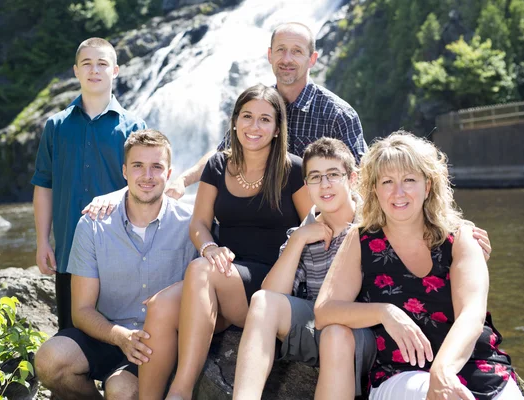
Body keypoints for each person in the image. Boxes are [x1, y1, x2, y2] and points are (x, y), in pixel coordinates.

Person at [136, 84, 313, 400]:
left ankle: (181, 392)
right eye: (247, 116)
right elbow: (200, 224)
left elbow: (313, 226)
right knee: (161, 306)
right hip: (223, 271)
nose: (253, 127)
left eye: (264, 119)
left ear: (276, 129)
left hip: (270, 285)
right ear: (234, 121)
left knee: (201, 270)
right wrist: (210, 247)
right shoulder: (217, 165)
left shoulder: (293, 170)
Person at [314, 132, 521, 400]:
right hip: (401, 372)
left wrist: (443, 370)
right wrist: (385, 312)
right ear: (374, 189)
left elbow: (472, 314)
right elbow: (324, 311)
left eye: (409, 180)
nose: (398, 192)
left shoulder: (461, 238)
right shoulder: (360, 240)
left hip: (476, 365)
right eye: (387, 181)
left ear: (428, 185)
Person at [34, 130, 197, 400]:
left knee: (121, 391)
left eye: (156, 167)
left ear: (169, 174)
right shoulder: (93, 224)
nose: (147, 176)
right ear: (124, 171)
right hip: (107, 332)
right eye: (138, 166)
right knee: (50, 361)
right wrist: (120, 337)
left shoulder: (190, 224)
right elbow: (82, 311)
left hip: (159, 343)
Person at [232, 137, 376, 399]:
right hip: (318, 326)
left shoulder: (375, 221)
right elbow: (272, 294)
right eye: (315, 177)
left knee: (336, 332)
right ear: (306, 185)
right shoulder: (302, 233)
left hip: (364, 332)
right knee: (263, 300)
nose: (325, 185)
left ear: (352, 178)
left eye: (333, 175)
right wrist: (298, 240)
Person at [162, 21, 367, 200]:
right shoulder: (257, 106)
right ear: (270, 55)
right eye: (280, 50)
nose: (286, 59)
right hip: (263, 219)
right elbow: (223, 154)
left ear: (312, 59)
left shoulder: (337, 114)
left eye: (296, 51)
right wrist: (183, 180)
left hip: (320, 226)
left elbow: (361, 175)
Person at [31, 37, 146, 330]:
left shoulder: (134, 127)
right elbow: (44, 185)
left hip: (120, 253)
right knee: (70, 340)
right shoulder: (55, 126)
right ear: (76, 71)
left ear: (115, 70)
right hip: (69, 252)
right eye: (87, 64)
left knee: (118, 341)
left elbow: (147, 185)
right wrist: (43, 240)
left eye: (102, 64)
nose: (94, 70)